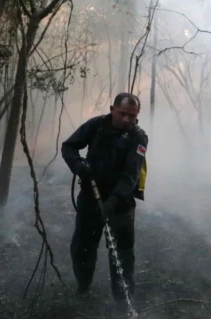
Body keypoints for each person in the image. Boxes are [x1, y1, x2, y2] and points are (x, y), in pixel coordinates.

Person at [61, 93, 148, 300]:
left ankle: (123, 300)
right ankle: (83, 287)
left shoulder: (138, 136)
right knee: (82, 247)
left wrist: (114, 201)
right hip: (90, 196)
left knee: (122, 254)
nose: (127, 119)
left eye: (132, 116)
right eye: (122, 114)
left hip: (121, 203)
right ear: (112, 109)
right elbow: (68, 146)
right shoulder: (96, 125)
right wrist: (78, 166)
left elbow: (131, 174)